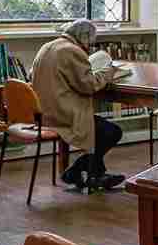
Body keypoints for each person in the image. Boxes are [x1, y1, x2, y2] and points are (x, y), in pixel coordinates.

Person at [31, 19, 124, 190]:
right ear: (84, 37)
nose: (90, 46)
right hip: (63, 115)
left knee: (100, 129)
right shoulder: (71, 51)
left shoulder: (48, 46)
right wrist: (108, 71)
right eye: (90, 41)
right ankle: (75, 171)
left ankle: (96, 175)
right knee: (111, 131)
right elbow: (89, 85)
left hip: (44, 111)